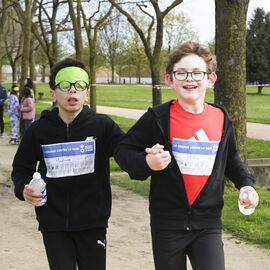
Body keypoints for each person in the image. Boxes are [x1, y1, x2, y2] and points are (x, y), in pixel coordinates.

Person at [114, 41, 259, 270]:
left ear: (210, 79)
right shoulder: (157, 119)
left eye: (197, 72)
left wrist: (246, 184)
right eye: (181, 73)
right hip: (167, 224)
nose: (189, 78)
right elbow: (122, 150)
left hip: (207, 223)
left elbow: (231, 159)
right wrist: (146, 162)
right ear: (170, 80)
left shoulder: (221, 118)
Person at [11, 58, 124, 270]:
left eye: (79, 85)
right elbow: (21, 169)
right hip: (53, 223)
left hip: (93, 223)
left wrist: (146, 157)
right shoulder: (38, 130)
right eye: (65, 85)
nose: (72, 90)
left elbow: (127, 153)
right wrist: (22, 188)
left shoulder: (103, 126)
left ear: (86, 93)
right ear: (53, 93)